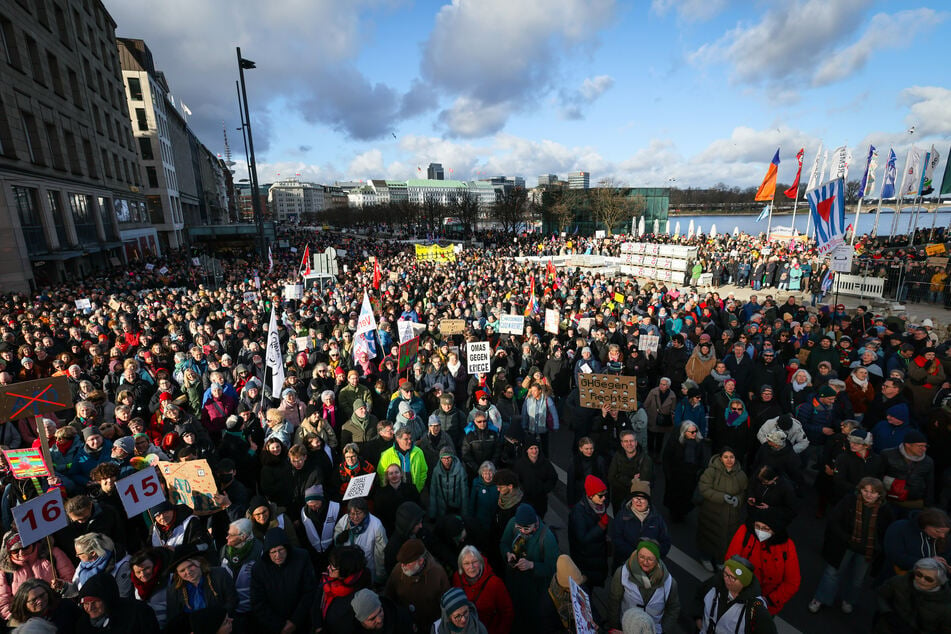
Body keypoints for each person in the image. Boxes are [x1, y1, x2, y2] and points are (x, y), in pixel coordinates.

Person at [809, 477, 893, 614]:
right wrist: (846, 538)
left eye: (873, 492)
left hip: (867, 550)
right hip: (845, 545)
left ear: (880, 494)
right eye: (865, 490)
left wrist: (877, 547)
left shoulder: (885, 510)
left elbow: (886, 532)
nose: (868, 494)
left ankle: (848, 600)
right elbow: (834, 521)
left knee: (857, 580)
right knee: (832, 573)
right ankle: (820, 598)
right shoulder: (849, 501)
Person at [725, 510, 800, 615]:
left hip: (765, 607)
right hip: (738, 596)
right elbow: (730, 561)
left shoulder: (787, 547)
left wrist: (768, 600)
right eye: (757, 526)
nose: (760, 531)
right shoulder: (745, 531)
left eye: (765, 529)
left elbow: (792, 583)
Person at [499, 503, 558, 632]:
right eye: (519, 528)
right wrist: (507, 554)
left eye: (526, 529)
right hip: (513, 584)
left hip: (533, 591)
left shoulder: (547, 538)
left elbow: (552, 568)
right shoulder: (513, 523)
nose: (522, 532)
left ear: (535, 524)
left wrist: (532, 565)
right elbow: (503, 543)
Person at [249, 527, 317, 634]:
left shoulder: (302, 558)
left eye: (281, 550)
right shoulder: (258, 569)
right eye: (273, 552)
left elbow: (309, 591)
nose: (278, 556)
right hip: (273, 627)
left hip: (301, 622)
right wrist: (279, 626)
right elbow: (258, 602)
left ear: (287, 548)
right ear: (268, 552)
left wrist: (295, 621)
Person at [607, 540, 680, 633]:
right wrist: (614, 626)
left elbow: (673, 608)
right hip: (625, 628)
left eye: (650, 559)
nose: (645, 562)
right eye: (641, 557)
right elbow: (614, 601)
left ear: (657, 560)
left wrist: (663, 630)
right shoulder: (622, 573)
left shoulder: (669, 582)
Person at [691, 555, 776, 634]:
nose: (727, 579)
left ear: (744, 582)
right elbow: (699, 596)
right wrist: (698, 617)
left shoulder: (756, 608)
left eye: (733, 578)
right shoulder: (715, 582)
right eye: (726, 574)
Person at [0, 531, 75, 621]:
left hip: (58, 612)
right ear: (9, 552)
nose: (21, 553)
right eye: (15, 550)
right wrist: (16, 619)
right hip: (26, 620)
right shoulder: (6, 571)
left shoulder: (52, 554)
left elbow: (72, 580)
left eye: (25, 547)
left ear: (33, 544)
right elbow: (3, 600)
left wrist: (62, 586)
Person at [696, 449, 748, 571]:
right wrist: (722, 497)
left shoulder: (741, 475)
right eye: (726, 457)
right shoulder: (711, 472)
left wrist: (738, 500)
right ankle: (706, 558)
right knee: (708, 536)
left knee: (726, 539)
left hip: (731, 515)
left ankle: (721, 559)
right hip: (711, 513)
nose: (729, 460)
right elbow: (704, 489)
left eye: (732, 457)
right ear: (720, 458)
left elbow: (744, 492)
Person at [165, 545, 237, 632]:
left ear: (199, 562)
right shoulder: (174, 590)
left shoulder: (219, 575)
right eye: (182, 570)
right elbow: (174, 618)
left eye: (190, 566)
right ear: (178, 573)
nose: (188, 572)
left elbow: (232, 601)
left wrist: (218, 624)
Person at [384, 538, 449, 633]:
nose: (402, 566)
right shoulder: (398, 570)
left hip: (430, 627)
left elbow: (446, 605)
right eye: (402, 563)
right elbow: (389, 598)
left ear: (421, 561)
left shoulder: (438, 573)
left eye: (407, 563)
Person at [874, 558, 951, 634]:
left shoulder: (946, 605)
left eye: (929, 579)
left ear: (939, 582)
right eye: (919, 574)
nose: (922, 580)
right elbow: (881, 595)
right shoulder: (899, 581)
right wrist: (887, 613)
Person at [610, 481, 671, 570]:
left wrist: (652, 557)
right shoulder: (622, 516)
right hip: (625, 564)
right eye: (635, 497)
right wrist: (636, 556)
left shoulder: (657, 518)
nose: (638, 501)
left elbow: (665, 541)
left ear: (648, 501)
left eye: (642, 498)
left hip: (649, 567)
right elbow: (617, 539)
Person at [451, 546, 513, 634]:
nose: (471, 566)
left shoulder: (495, 583)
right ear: (461, 565)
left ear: (481, 562)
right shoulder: (457, 578)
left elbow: (507, 612)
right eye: (466, 563)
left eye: (474, 562)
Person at [312, 545, 371, 634]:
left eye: (332, 567)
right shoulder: (327, 579)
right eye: (330, 564)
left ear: (345, 570)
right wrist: (318, 627)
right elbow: (316, 604)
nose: (328, 568)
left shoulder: (359, 594)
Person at [76, 572, 160, 634]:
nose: (90, 608)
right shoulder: (84, 624)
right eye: (86, 603)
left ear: (108, 600)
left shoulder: (138, 613)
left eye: (95, 602)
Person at [219, 519, 262, 631]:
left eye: (231, 535)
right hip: (231, 612)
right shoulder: (224, 550)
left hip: (253, 613)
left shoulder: (259, 551)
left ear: (243, 537)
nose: (227, 537)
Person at [568, 475, 610, 588]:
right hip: (585, 559)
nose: (604, 498)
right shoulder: (579, 513)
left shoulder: (598, 506)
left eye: (605, 495)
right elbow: (582, 539)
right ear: (590, 495)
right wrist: (601, 527)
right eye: (600, 496)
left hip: (595, 556)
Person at [333, 497, 388, 584]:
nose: (355, 517)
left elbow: (380, 553)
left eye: (358, 513)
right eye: (352, 513)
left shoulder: (376, 525)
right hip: (348, 568)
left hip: (367, 567)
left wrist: (380, 574)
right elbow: (337, 534)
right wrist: (339, 538)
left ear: (365, 513)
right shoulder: (344, 520)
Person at [883, 508, 951, 577]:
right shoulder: (899, 528)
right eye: (937, 531)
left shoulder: (942, 538)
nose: (942, 536)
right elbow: (896, 557)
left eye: (945, 533)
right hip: (899, 578)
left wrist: (945, 565)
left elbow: (946, 556)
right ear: (925, 524)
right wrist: (928, 562)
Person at [662, 420, 706, 522]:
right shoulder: (674, 442)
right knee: (675, 496)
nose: (694, 434)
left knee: (687, 496)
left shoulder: (698, 443)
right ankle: (674, 514)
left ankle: (682, 513)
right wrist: (668, 475)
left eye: (695, 431)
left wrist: (699, 472)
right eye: (691, 432)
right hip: (676, 475)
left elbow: (701, 458)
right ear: (684, 432)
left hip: (691, 475)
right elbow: (667, 458)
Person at [538, 555, 591, 633]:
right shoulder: (547, 603)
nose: (577, 590)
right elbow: (548, 629)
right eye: (572, 587)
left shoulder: (581, 588)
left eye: (578, 585)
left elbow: (592, 610)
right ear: (564, 588)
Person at [607, 430, 653, 514]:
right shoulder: (617, 456)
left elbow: (643, 483)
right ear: (622, 444)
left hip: (636, 501)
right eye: (626, 441)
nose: (629, 444)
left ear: (636, 442)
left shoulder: (645, 459)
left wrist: (619, 477)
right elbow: (610, 478)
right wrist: (631, 481)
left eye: (631, 441)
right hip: (618, 499)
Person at [511, 437, 557, 520]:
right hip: (525, 500)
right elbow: (516, 480)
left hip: (541, 500)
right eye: (531, 448)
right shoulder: (520, 464)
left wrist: (544, 489)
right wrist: (523, 491)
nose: (534, 451)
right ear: (527, 450)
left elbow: (553, 478)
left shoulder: (546, 463)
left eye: (536, 448)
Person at [376, 428, 428, 493]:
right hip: (393, 494)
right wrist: (388, 492)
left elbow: (423, 472)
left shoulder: (418, 452)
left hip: (413, 493)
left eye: (410, 438)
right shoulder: (386, 455)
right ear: (398, 440)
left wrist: (418, 489)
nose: (409, 441)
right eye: (406, 439)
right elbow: (381, 475)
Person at [129, 549, 171, 630]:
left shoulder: (168, 579)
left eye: (147, 568)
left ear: (155, 565)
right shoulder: (136, 585)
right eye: (138, 572)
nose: (143, 574)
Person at [373, 465, 421, 535]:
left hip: (410, 528)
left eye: (396, 472)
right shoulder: (380, 493)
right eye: (391, 473)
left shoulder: (411, 489)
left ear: (401, 474)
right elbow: (379, 514)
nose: (394, 475)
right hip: (390, 530)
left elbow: (418, 507)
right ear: (387, 476)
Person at [429, 447, 468, 519]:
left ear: (452, 458)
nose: (446, 461)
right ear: (440, 459)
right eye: (444, 458)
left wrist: (464, 515)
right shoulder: (436, 471)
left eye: (448, 458)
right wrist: (432, 514)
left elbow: (464, 493)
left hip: (455, 508)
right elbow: (433, 492)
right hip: (441, 509)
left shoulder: (460, 470)